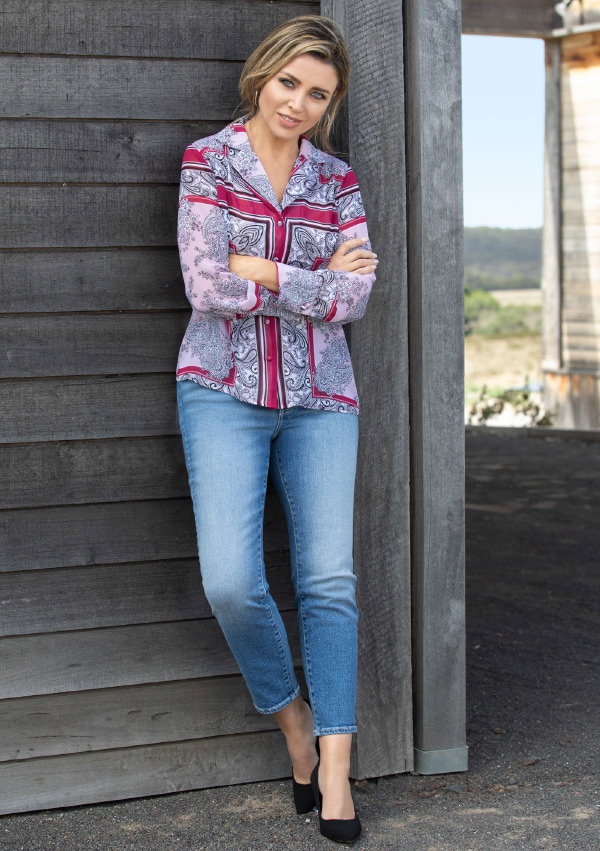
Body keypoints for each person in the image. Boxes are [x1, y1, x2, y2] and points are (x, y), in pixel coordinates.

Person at [175, 14, 377, 845]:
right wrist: (310, 279)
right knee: (230, 580)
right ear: (262, 77)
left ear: (330, 104)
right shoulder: (207, 162)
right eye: (289, 82)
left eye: (317, 93)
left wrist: (263, 269)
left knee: (329, 580)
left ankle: (335, 766)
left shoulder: (338, 181)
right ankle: (293, 717)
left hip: (323, 394)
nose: (297, 102)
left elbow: (355, 297)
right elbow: (204, 286)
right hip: (221, 388)